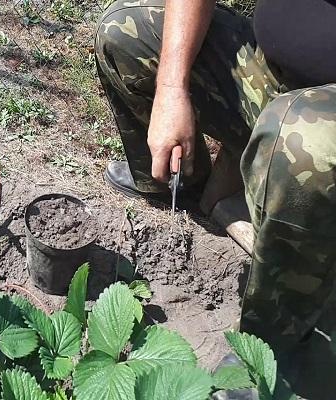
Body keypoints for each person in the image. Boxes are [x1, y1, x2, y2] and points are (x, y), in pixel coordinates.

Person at [95, 0, 336, 397]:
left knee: (298, 137)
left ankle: (274, 352)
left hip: (313, 127)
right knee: (123, 31)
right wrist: (171, 89)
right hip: (273, 78)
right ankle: (178, 181)